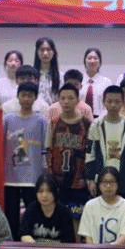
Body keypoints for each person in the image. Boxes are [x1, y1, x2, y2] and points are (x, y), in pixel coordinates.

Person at [3, 81, 47, 240]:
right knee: (11, 216)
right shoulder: (7, 119)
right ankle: (10, 245)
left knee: (32, 213)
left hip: (33, 177)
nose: (26, 99)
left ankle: (31, 244)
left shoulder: (41, 121)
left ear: (35, 98)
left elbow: (45, 148)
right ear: (18, 97)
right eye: (23, 95)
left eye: (30, 96)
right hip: (10, 177)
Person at [44, 82, 91, 231]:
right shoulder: (53, 123)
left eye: (70, 98)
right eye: (62, 98)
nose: (66, 102)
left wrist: (89, 178)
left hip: (79, 181)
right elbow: (48, 150)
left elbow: (91, 153)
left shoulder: (86, 124)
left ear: (77, 100)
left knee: (77, 219)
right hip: (58, 181)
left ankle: (76, 245)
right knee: (60, 218)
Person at [85, 85, 125, 205]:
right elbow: (90, 154)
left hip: (124, 179)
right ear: (103, 102)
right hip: (101, 179)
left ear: (122, 102)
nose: (113, 105)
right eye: (109, 101)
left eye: (117, 101)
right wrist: (90, 179)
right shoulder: (95, 126)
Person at [78, 166, 125, 245]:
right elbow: (87, 236)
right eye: (104, 182)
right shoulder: (90, 206)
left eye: (112, 182)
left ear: (118, 184)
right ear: (99, 184)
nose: (108, 186)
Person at [20, 174, 77, 244]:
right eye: (40, 191)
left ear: (55, 192)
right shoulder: (31, 209)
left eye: (49, 191)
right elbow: (24, 234)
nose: (44, 195)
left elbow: (68, 240)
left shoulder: (64, 212)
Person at [80, 47, 113, 117]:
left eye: (95, 58)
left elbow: (110, 104)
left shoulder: (107, 82)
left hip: (100, 119)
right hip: (80, 119)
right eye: (89, 58)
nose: (92, 61)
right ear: (85, 61)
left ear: (100, 62)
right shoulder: (78, 81)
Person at [33, 37, 61, 106]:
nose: (45, 53)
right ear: (37, 52)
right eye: (42, 50)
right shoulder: (31, 75)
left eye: (48, 50)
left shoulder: (61, 76)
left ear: (53, 52)